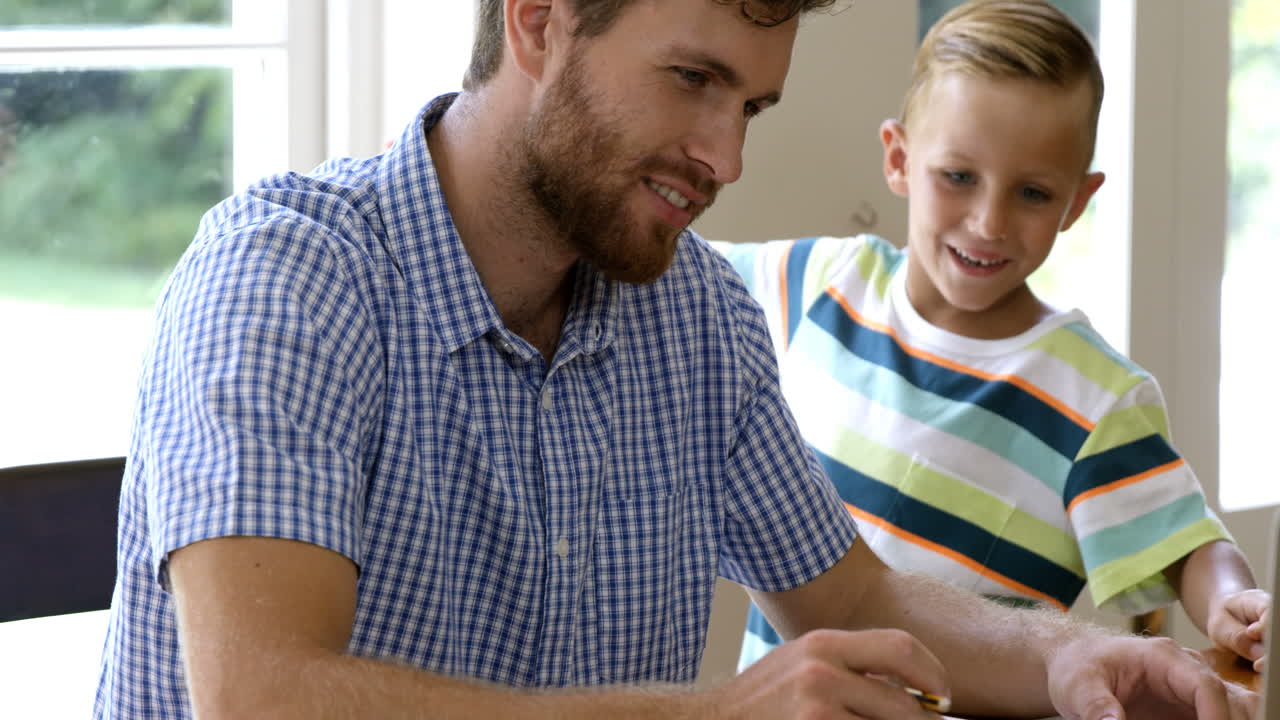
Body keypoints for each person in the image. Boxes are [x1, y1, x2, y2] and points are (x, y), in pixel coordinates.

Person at [94, 0, 1257, 718]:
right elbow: (262, 696)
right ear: (538, 20)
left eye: (750, 106)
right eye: (693, 79)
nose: (724, 159)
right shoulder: (287, 279)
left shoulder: (693, 314)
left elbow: (847, 594)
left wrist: (1067, 658)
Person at [718, 0, 1272, 679]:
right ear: (899, 158)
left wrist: (1232, 602)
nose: (989, 222)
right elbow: (674, 279)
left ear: (1076, 202)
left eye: (1032, 193)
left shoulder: (1096, 399)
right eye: (959, 177)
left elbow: (1186, 545)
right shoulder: (815, 284)